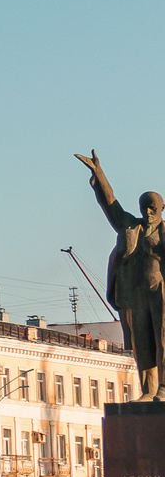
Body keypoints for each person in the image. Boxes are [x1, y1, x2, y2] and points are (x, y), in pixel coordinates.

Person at [80, 150, 164, 400]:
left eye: (152, 208)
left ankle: (164, 389)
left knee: (163, 341)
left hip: (160, 292)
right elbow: (110, 202)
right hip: (136, 295)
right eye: (144, 207)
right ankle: (148, 391)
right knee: (142, 343)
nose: (147, 212)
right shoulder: (130, 225)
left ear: (161, 209)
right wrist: (98, 173)